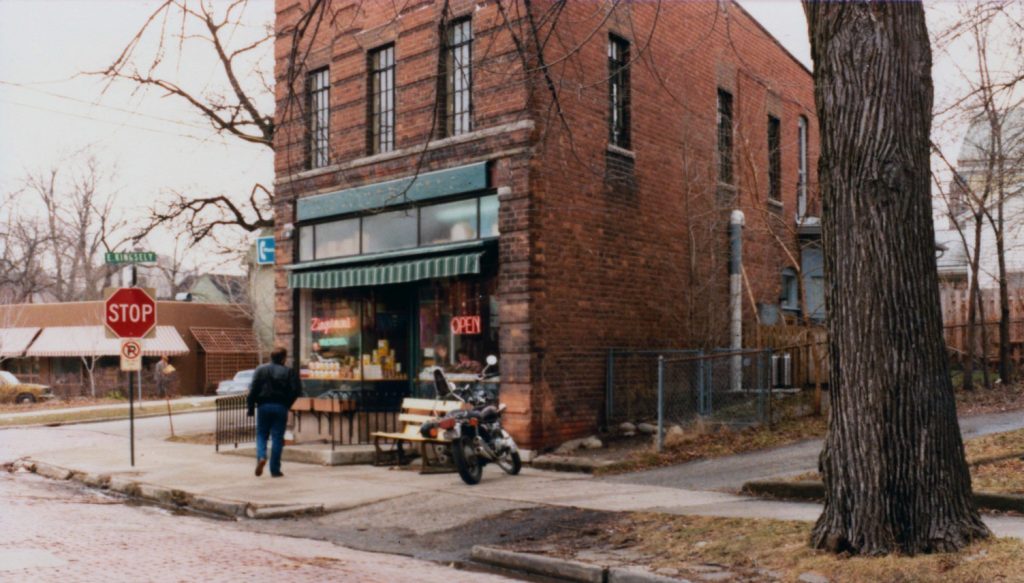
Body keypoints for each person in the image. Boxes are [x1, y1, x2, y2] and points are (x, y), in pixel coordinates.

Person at [247, 347, 302, 478]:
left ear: (271, 358)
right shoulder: (289, 372)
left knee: (261, 434)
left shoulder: (260, 370)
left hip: (263, 406)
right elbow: (296, 391)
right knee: (277, 438)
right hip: (280, 406)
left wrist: (250, 407)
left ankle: (261, 456)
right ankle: (275, 469)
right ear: (283, 358)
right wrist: (287, 404)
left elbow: (253, 389)